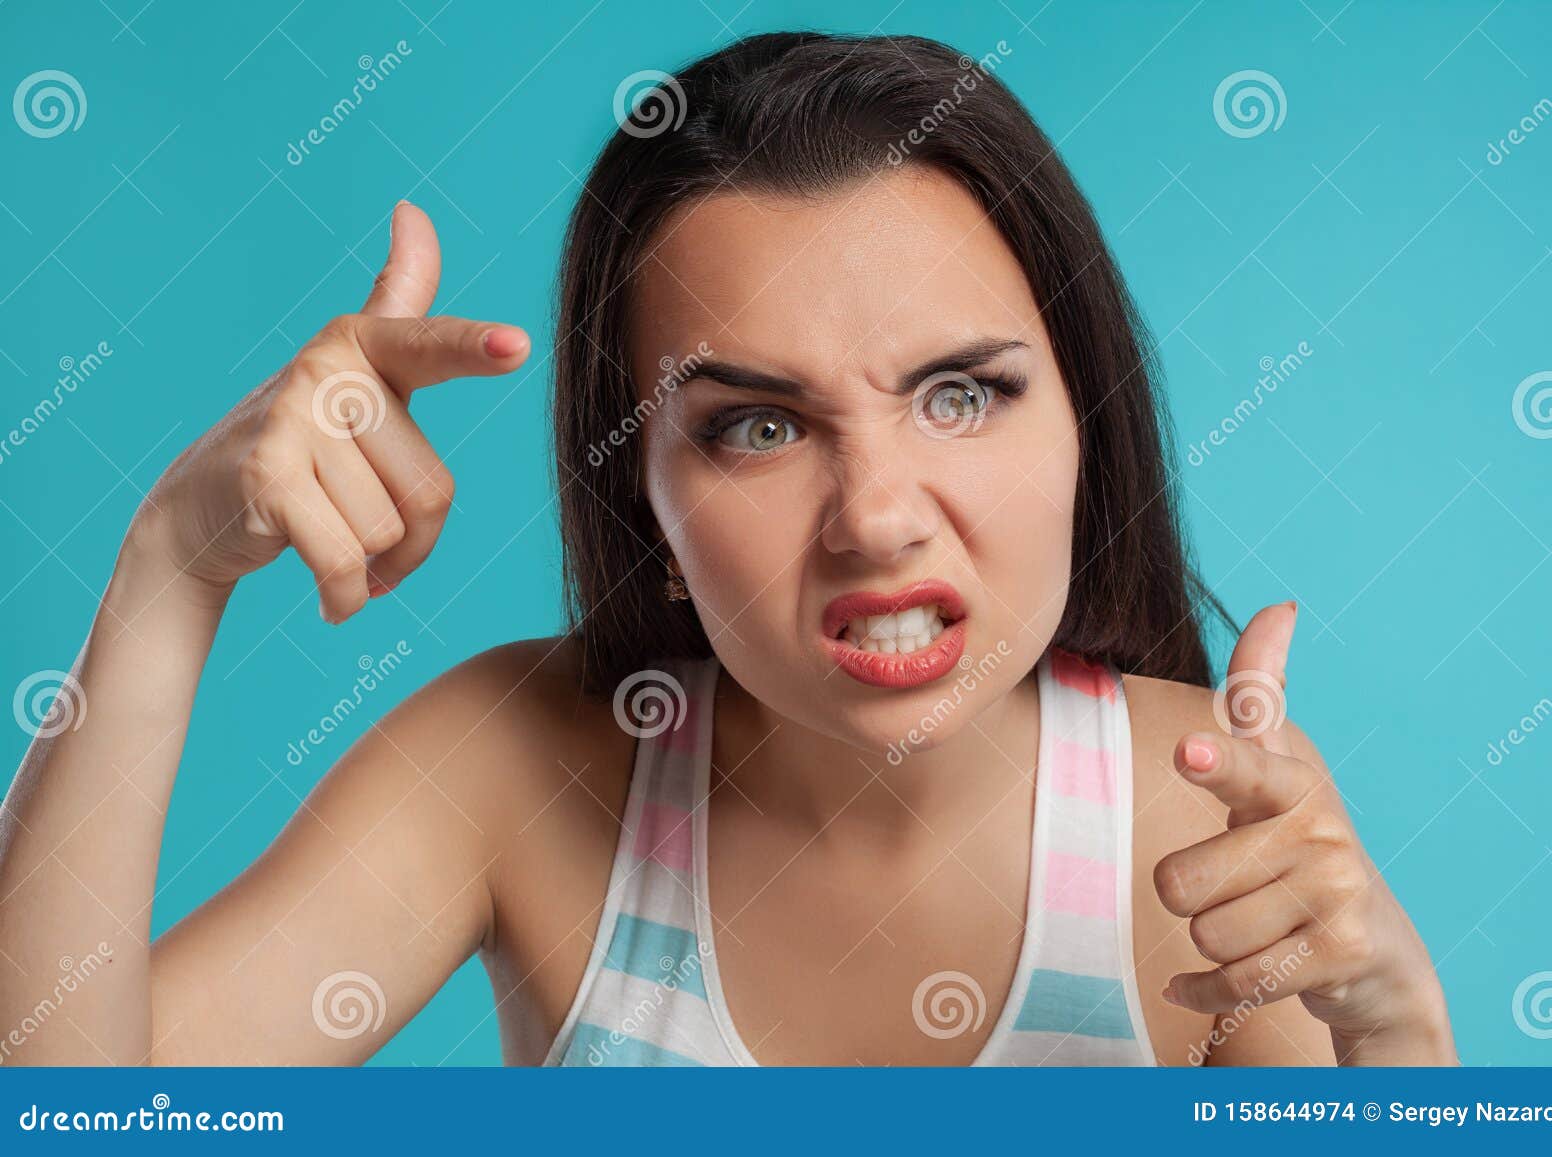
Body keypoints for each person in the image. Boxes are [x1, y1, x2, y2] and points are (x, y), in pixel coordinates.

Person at [0, 32, 1454, 1066]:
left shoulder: (1202, 827)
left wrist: (1405, 1057)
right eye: (759, 428)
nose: (878, 514)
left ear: (1087, 420)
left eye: (962, 394)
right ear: (642, 491)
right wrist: (169, 570)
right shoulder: (513, 769)